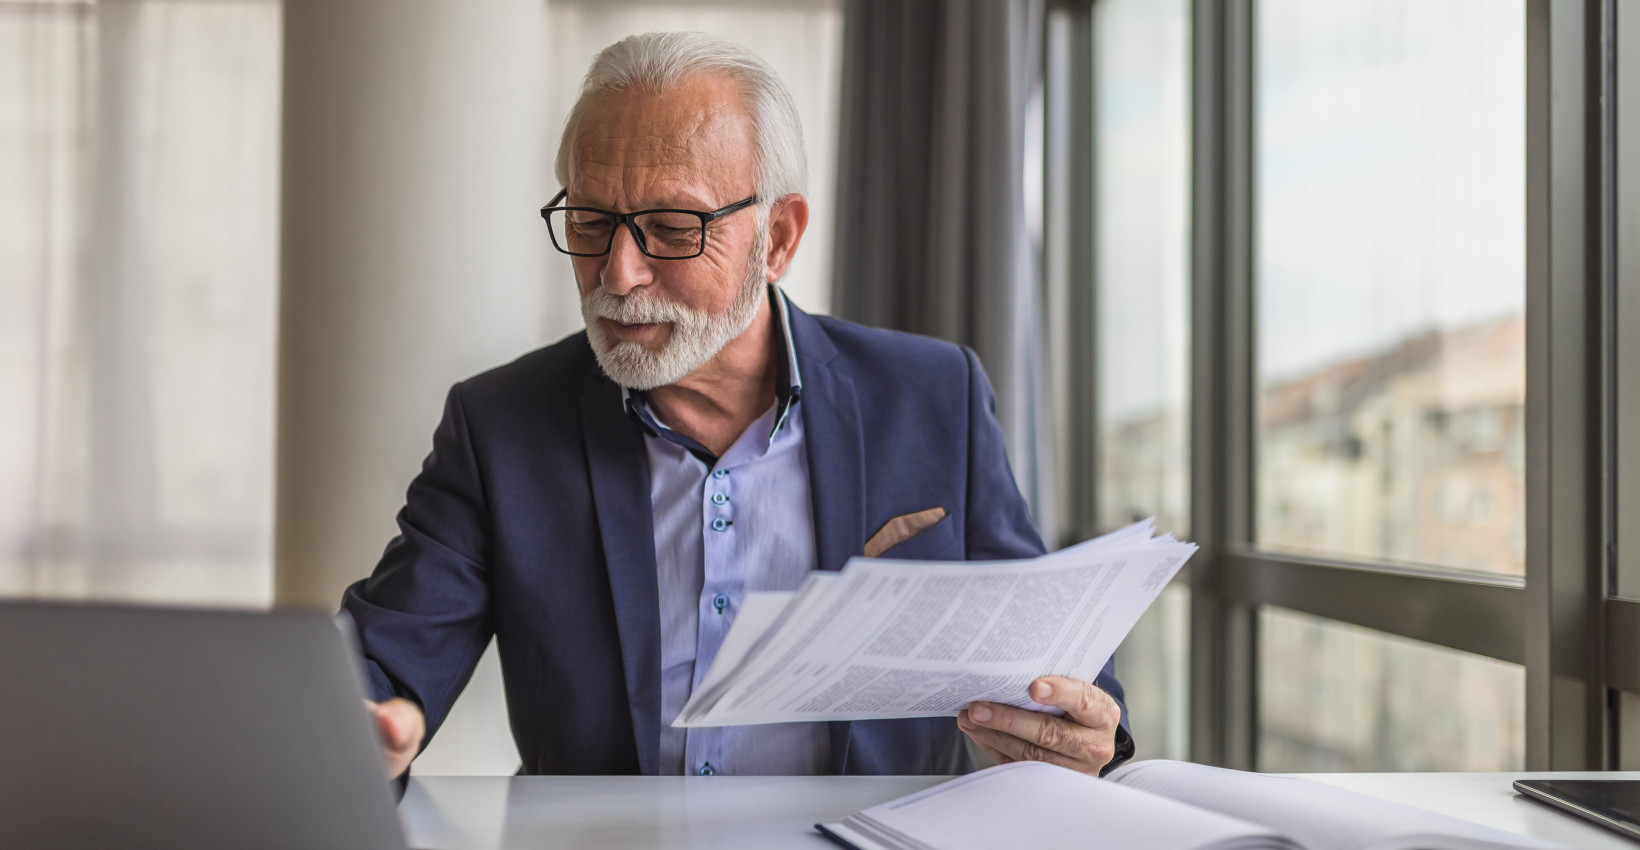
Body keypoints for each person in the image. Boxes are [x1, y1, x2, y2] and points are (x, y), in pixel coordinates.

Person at [345, 31, 1133, 781]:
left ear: (779, 238)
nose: (617, 275)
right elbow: (384, 655)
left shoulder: (932, 397)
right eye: (590, 221)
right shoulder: (501, 427)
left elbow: (1049, 646)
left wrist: (1083, 726)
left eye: (670, 227)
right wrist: (360, 723)